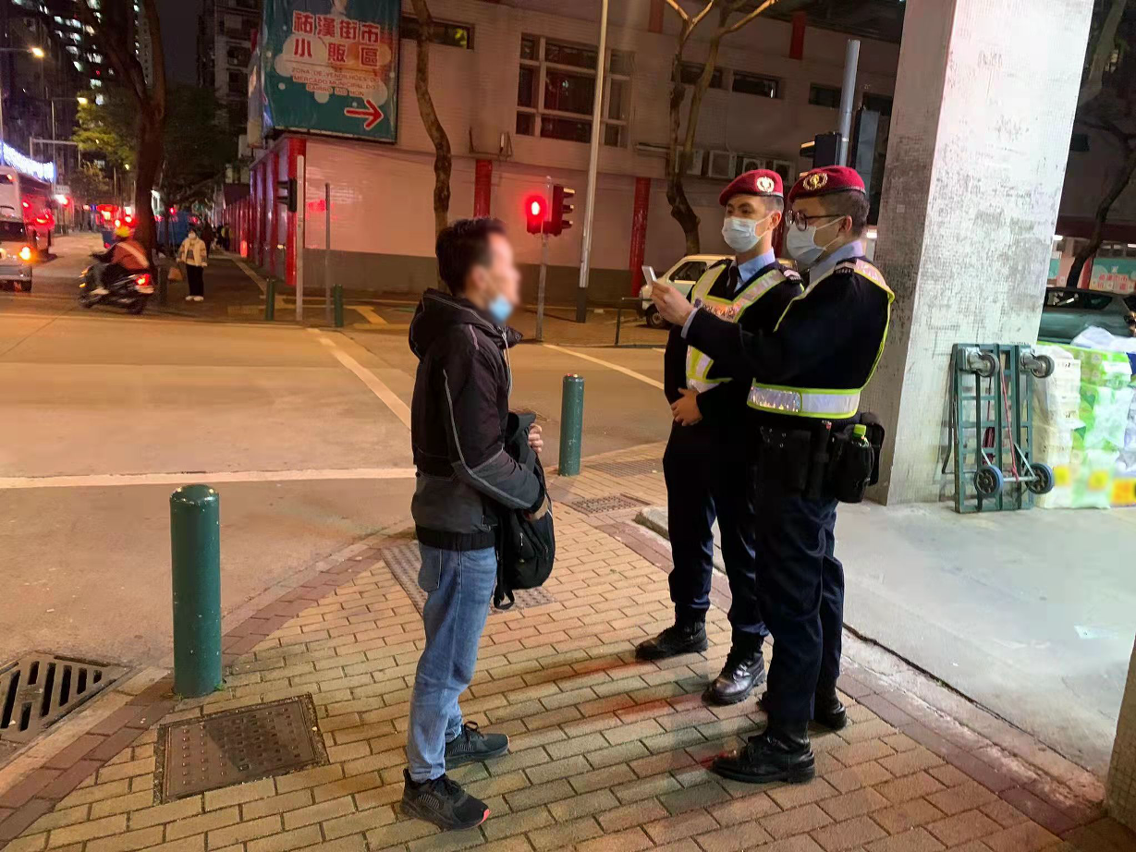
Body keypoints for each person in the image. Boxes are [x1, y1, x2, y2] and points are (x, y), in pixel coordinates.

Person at [651, 166, 893, 785]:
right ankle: (816, 699)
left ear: (844, 223)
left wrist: (692, 320)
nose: (797, 229)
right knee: (817, 585)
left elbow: (773, 358)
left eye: (807, 219)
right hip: (802, 459)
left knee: (791, 603)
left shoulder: (847, 289)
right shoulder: (832, 285)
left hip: (799, 465)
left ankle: (787, 742)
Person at [402, 217, 549, 831]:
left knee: (450, 640)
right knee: (450, 659)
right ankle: (424, 778)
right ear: (481, 276)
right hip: (460, 524)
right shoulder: (467, 341)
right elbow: (477, 458)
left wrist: (514, 428)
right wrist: (533, 498)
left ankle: (450, 734)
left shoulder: (466, 334)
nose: (515, 277)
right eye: (506, 265)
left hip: (455, 515)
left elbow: (471, 427)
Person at [637, 170, 802, 707]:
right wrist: (677, 402)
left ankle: (748, 652)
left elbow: (764, 370)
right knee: (686, 534)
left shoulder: (783, 291)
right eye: (730, 211)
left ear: (773, 220)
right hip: (687, 432)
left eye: (746, 212)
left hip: (739, 439)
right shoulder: (710, 277)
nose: (734, 221)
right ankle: (689, 623)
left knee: (742, 550)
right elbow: (679, 343)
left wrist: (703, 406)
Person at [91, 224, 150, 296]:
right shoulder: (135, 243)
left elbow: (115, 260)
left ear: (119, 236)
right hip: (144, 268)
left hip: (131, 268)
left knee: (103, 268)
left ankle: (102, 287)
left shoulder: (121, 246)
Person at [178, 227, 209, 301]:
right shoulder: (186, 241)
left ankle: (199, 294)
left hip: (198, 263)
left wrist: (203, 262)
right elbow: (181, 250)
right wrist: (179, 258)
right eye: (190, 232)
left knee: (198, 279)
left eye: (192, 232)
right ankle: (192, 293)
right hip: (188, 263)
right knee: (190, 279)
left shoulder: (200, 242)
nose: (191, 234)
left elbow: (203, 253)